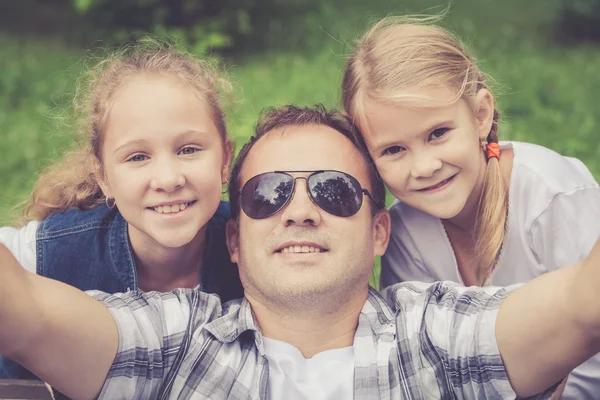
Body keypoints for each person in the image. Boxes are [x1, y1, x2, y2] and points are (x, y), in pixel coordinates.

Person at [1, 104, 599, 400]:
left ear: (379, 234)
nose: (301, 210)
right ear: (234, 240)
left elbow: (582, 302)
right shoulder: (175, 343)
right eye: (268, 194)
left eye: (336, 192)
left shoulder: (434, 336)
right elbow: (20, 311)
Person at [341, 17, 600, 399]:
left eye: (438, 133)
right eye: (394, 150)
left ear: (480, 116)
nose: (425, 166)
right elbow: (418, 363)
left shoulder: (550, 195)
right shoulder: (405, 233)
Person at [0, 41, 243, 380]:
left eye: (188, 149)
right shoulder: (49, 250)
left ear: (225, 159)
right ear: (104, 177)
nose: (168, 179)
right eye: (138, 157)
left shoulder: (252, 244)